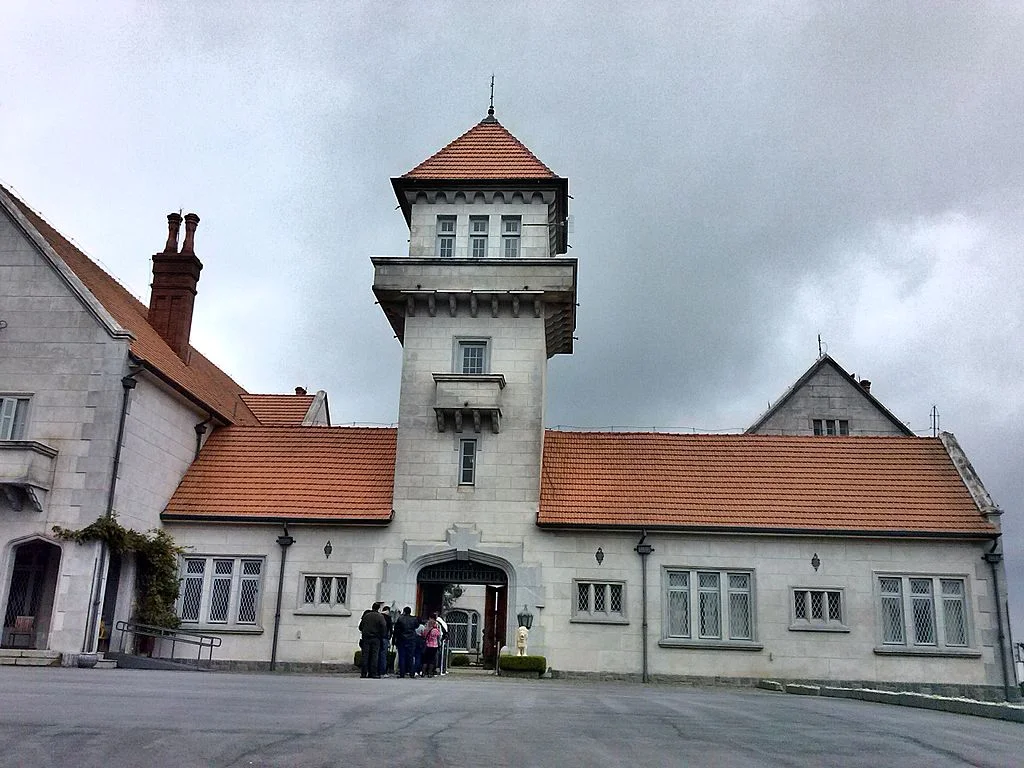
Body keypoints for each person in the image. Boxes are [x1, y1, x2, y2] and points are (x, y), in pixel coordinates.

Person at [358, 602, 386, 679]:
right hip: (376, 638)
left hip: (366, 638)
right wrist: (382, 635)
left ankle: (363, 673)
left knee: (365, 655)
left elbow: (360, 626)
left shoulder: (366, 616)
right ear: (378, 608)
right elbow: (383, 627)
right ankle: (372, 673)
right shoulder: (380, 616)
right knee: (374, 656)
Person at [393, 606, 418, 679]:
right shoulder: (414, 619)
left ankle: (402, 673)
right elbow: (417, 626)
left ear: (404, 611)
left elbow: (396, 630)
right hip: (411, 640)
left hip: (402, 639)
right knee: (411, 657)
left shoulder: (400, 619)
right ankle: (411, 673)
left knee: (402, 657)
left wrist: (395, 639)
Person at [422, 613, 442, 678]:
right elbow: (439, 635)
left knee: (425, 659)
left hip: (427, 644)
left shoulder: (427, 625)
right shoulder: (436, 625)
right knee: (432, 660)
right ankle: (430, 673)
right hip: (434, 645)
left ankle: (423, 672)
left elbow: (424, 634)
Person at [378, 605, 394, 678]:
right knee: (383, 655)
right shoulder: (388, 618)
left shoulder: (378, 616)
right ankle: (383, 671)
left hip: (378, 637)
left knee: (376, 654)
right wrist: (390, 637)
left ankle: (375, 670)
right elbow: (390, 629)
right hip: (385, 638)